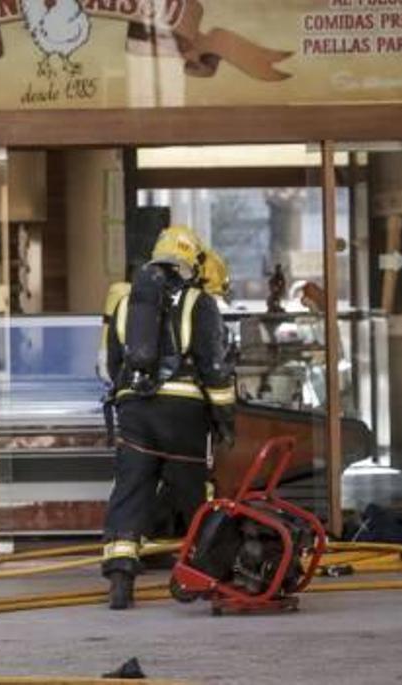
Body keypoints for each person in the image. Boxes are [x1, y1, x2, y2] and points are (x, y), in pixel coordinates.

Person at [100, 225, 236, 610]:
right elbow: (213, 366)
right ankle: (209, 568)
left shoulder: (126, 304)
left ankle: (121, 576)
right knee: (194, 492)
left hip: (135, 412)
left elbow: (113, 364)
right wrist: (225, 416)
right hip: (183, 415)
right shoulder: (199, 302)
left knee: (131, 489)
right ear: (191, 263)